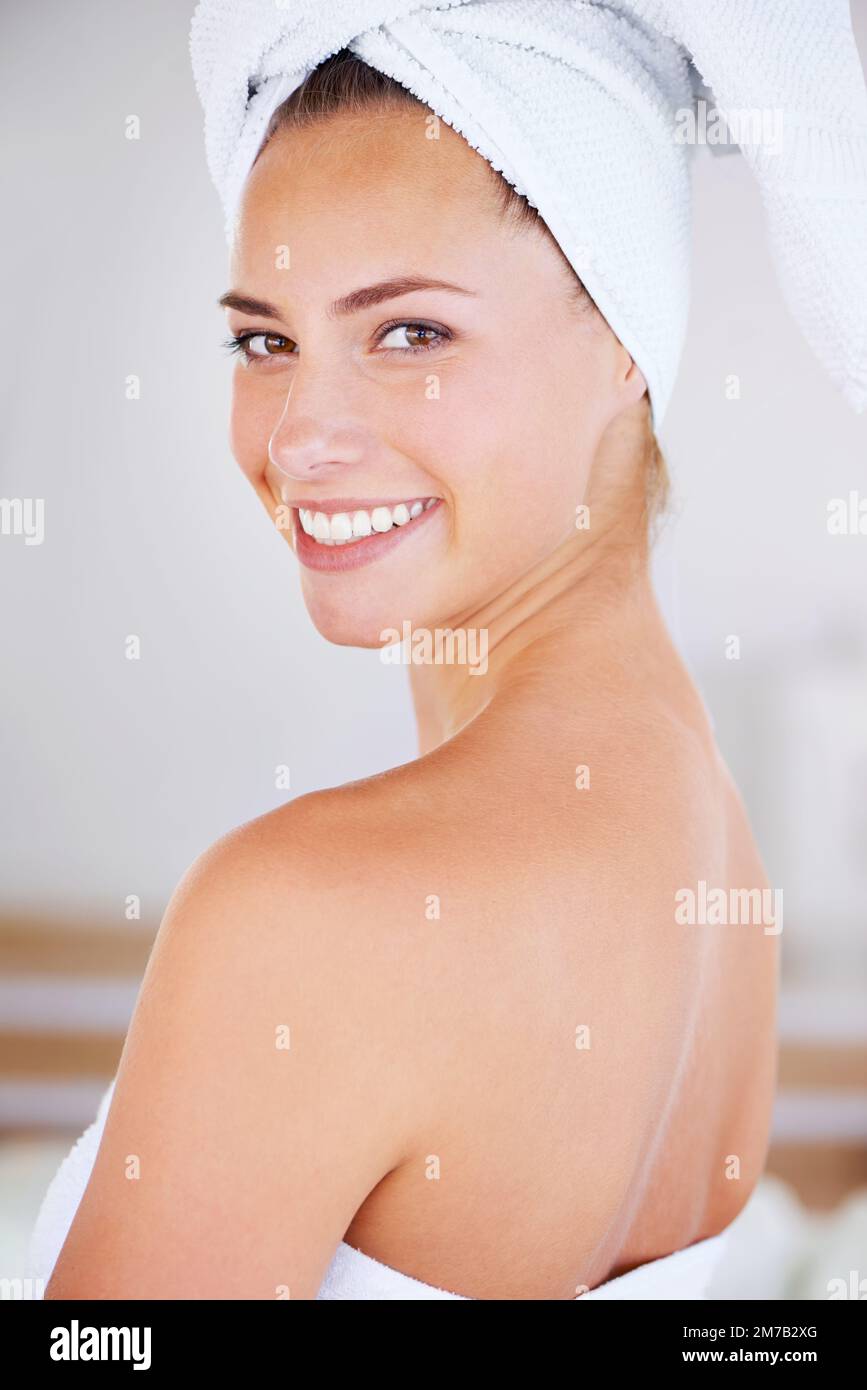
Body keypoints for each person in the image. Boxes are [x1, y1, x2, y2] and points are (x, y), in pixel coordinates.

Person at [37, 0, 866, 1299]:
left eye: (409, 332)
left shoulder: (302, 910)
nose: (301, 432)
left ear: (622, 344)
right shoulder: (718, 856)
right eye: (266, 339)